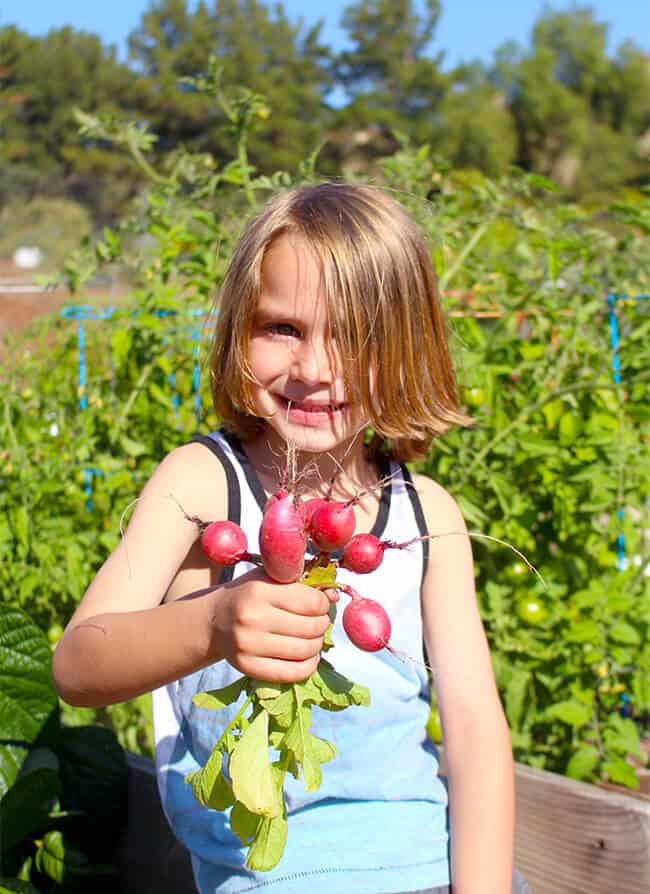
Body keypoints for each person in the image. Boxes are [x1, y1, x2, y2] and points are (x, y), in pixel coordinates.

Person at [53, 183, 531, 894]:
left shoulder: (428, 515)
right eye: (283, 328)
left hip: (431, 868)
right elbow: (78, 665)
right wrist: (212, 623)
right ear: (238, 330)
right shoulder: (203, 484)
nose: (314, 369)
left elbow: (474, 732)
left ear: (406, 347)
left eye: (355, 336)